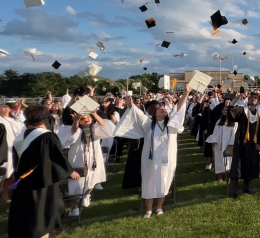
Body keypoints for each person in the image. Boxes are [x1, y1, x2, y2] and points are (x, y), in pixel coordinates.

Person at [114, 85, 190, 218]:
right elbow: (137, 114)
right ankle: (149, 209)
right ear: (154, 113)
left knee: (165, 181)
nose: (163, 109)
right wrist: (131, 104)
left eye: (165, 108)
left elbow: (178, 109)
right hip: (150, 159)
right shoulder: (148, 124)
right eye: (160, 109)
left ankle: (159, 207)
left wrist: (186, 93)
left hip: (167, 158)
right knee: (149, 181)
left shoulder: (171, 125)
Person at [8, 105, 74, 238]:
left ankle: (36, 236)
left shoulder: (20, 137)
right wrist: (69, 170)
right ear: (44, 118)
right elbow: (56, 158)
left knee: (31, 209)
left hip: (24, 179)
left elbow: (17, 161)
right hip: (43, 179)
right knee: (44, 208)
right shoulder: (47, 136)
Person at [57, 108, 115, 217]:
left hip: (94, 159)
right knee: (77, 183)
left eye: (88, 116)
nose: (86, 118)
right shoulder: (76, 130)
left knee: (93, 179)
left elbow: (104, 126)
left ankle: (86, 195)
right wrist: (76, 122)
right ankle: (74, 209)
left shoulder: (95, 129)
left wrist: (94, 114)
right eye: (83, 117)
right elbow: (73, 133)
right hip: (78, 158)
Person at [228, 94, 260, 197]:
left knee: (250, 165)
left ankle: (246, 187)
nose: (253, 99)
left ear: (258, 100)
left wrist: (259, 144)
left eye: (255, 98)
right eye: (251, 98)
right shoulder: (242, 111)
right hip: (241, 143)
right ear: (248, 100)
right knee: (237, 166)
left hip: (253, 144)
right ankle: (233, 190)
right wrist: (236, 99)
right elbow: (231, 109)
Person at [206, 104, 238, 183]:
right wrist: (214, 142)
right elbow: (215, 133)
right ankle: (219, 176)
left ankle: (229, 175)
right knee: (219, 159)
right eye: (223, 110)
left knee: (230, 160)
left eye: (226, 110)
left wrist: (231, 144)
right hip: (219, 144)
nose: (224, 111)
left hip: (229, 144)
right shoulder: (219, 121)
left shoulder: (234, 122)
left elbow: (235, 133)